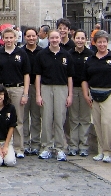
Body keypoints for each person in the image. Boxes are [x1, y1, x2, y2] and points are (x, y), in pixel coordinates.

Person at [82, 30, 111, 163]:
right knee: (97, 123)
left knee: (107, 122)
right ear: (95, 43)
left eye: (104, 42)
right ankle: (100, 150)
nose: (102, 44)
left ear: (107, 43)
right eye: (99, 42)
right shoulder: (90, 60)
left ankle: (108, 151)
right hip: (95, 94)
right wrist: (86, 94)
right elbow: (84, 78)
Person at [35, 29, 74, 161]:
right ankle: (46, 146)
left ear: (60, 38)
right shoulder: (42, 54)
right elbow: (38, 76)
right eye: (52, 38)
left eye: (56, 38)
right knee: (46, 118)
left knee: (59, 118)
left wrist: (69, 95)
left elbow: (69, 77)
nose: (54, 40)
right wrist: (38, 94)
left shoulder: (66, 55)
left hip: (61, 88)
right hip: (46, 87)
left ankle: (60, 147)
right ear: (48, 39)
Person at [0, 27, 30, 158]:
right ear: (2, 39)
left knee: (18, 119)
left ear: (15, 38)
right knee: (1, 118)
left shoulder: (22, 53)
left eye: (11, 37)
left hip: (17, 88)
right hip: (3, 89)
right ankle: (2, 145)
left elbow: (26, 74)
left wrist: (25, 93)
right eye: (6, 38)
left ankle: (19, 148)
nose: (8, 40)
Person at [67, 29, 93, 157]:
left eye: (82, 38)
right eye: (78, 38)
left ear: (86, 39)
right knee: (73, 118)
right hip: (72, 88)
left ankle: (83, 145)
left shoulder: (91, 54)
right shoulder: (69, 54)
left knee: (85, 118)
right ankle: (73, 145)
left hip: (86, 89)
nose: (80, 41)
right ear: (74, 39)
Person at [22, 27, 42, 155]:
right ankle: (23, 143)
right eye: (28, 36)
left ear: (37, 37)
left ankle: (35, 142)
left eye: (33, 36)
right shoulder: (21, 52)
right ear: (24, 37)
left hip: (37, 86)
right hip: (24, 86)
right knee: (23, 116)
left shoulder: (42, 52)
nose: (31, 38)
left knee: (36, 116)